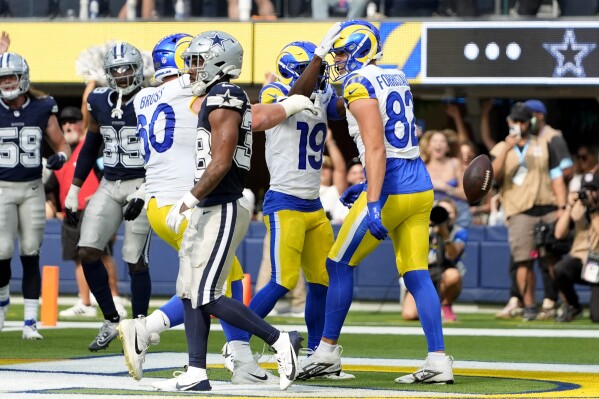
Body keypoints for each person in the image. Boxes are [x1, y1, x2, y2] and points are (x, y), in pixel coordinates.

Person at [294, 20, 454, 384]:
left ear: (361, 51)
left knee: (337, 263)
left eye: (343, 52)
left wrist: (374, 198)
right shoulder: (394, 75)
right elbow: (352, 112)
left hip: (392, 185)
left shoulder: (358, 82)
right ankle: (438, 359)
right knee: (416, 274)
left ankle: (327, 351)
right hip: (419, 183)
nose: (338, 59)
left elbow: (377, 147)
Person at [141, 30, 301, 392]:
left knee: (207, 294)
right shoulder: (213, 95)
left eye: (197, 61)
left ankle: (280, 341)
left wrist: (186, 201)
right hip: (209, 204)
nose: (192, 70)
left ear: (219, 62)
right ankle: (196, 372)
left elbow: (220, 162)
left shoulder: (226, 94)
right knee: (189, 292)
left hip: (221, 204)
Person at [225, 40, 354, 381]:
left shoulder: (322, 95)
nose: (322, 76)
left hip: (313, 203)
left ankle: (316, 354)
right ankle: (236, 344)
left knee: (321, 281)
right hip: (284, 200)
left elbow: (344, 106)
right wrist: (316, 63)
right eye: (316, 70)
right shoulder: (274, 91)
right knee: (283, 280)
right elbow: (286, 100)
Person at [65, 42, 153, 351]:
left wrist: (146, 190)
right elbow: (90, 145)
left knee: (134, 257)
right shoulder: (99, 100)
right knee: (87, 250)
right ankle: (112, 318)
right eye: (116, 70)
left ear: (138, 70)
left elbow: (164, 150)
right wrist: (75, 189)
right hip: (110, 183)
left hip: (142, 181)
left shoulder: (152, 99)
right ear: (107, 73)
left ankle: (141, 325)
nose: (122, 75)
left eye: (127, 68)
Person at [0, 52, 71, 339]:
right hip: (2, 189)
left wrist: (61, 157)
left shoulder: (42, 106)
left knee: (30, 251)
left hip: (32, 188)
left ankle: (29, 322)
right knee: (2, 252)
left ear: (23, 78)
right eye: (2, 77)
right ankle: (3, 297)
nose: (6, 82)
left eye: (10, 76)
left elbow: (61, 144)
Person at [490, 102, 567, 321]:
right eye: (515, 121)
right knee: (523, 260)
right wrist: (506, 147)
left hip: (548, 207)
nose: (519, 125)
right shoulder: (499, 148)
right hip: (519, 210)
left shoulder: (544, 144)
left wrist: (562, 207)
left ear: (529, 123)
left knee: (551, 259)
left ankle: (557, 303)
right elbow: (492, 177)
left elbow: (557, 178)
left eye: (523, 121)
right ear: (509, 122)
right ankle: (529, 304)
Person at [44, 106, 124, 318]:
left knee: (103, 255)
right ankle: (85, 301)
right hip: (71, 213)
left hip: (95, 209)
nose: (69, 125)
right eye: (65, 123)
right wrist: (54, 206)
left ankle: (115, 298)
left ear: (82, 124)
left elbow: (109, 171)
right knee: (78, 258)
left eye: (73, 121)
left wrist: (101, 195)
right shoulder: (62, 156)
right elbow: (51, 186)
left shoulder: (91, 147)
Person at [402, 198, 468, 322]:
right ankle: (428, 307)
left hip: (445, 272)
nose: (444, 216)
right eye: (441, 211)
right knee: (409, 315)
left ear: (455, 216)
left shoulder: (459, 232)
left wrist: (445, 236)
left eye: (449, 213)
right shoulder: (424, 228)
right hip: (424, 273)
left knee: (453, 276)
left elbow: (453, 254)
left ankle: (445, 305)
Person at [554, 172, 599, 323]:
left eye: (592, 189)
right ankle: (573, 305)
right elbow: (559, 233)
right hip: (580, 260)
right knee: (560, 268)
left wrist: (593, 210)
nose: (588, 193)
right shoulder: (578, 208)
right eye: (585, 189)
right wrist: (568, 206)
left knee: (596, 317)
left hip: (597, 264)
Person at [420, 129, 471, 227]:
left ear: (447, 147)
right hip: (429, 215)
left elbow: (465, 195)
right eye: (434, 141)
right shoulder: (422, 166)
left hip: (457, 214)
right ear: (429, 147)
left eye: (442, 141)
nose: (438, 144)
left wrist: (445, 187)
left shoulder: (455, 163)